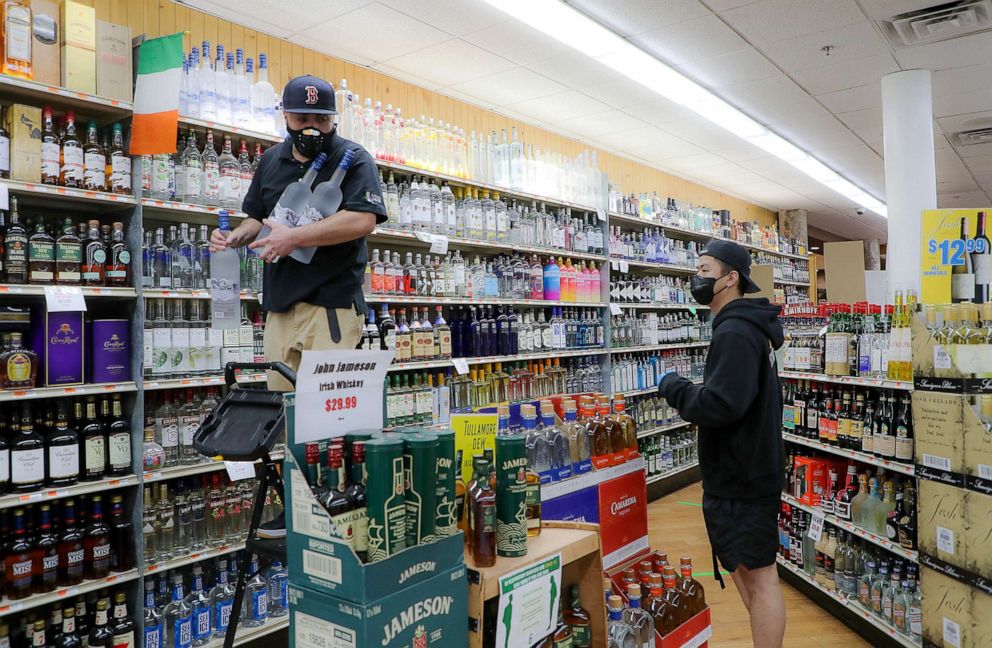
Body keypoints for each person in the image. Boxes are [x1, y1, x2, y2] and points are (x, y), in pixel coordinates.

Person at [210, 75, 387, 537]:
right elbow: (257, 217)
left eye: (320, 119)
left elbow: (363, 218)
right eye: (302, 118)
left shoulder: (355, 160)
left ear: (333, 120)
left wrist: (295, 238)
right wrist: (235, 238)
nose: (311, 127)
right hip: (280, 309)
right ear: (285, 117)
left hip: (329, 305)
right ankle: (297, 510)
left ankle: (336, 511)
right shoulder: (271, 161)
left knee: (328, 416)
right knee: (284, 417)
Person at [656, 239, 786, 647]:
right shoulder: (745, 328)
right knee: (752, 577)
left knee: (761, 580)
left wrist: (675, 387)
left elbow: (722, 405)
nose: (698, 277)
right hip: (746, 469)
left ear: (731, 278)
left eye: (705, 269)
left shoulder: (734, 331)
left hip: (742, 476)